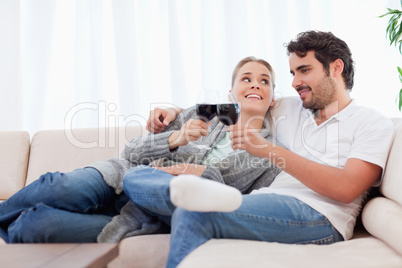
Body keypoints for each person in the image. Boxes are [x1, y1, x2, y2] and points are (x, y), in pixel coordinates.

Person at [143, 30, 395, 267]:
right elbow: (237, 101)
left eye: (304, 70)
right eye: (292, 73)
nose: (295, 82)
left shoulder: (373, 123)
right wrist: (173, 111)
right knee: (154, 195)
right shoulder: (293, 108)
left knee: (195, 212)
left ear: (336, 68)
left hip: (320, 216)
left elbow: (346, 188)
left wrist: (268, 150)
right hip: (265, 201)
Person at [0, 57, 280, 243]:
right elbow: (132, 151)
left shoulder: (270, 156)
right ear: (230, 93)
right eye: (246, 78)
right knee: (55, 186)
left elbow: (239, 209)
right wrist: (175, 139)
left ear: (272, 99)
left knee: (35, 226)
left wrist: (200, 173)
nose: (256, 83)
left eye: (264, 81)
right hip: (120, 178)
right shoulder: (201, 113)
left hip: (144, 215)